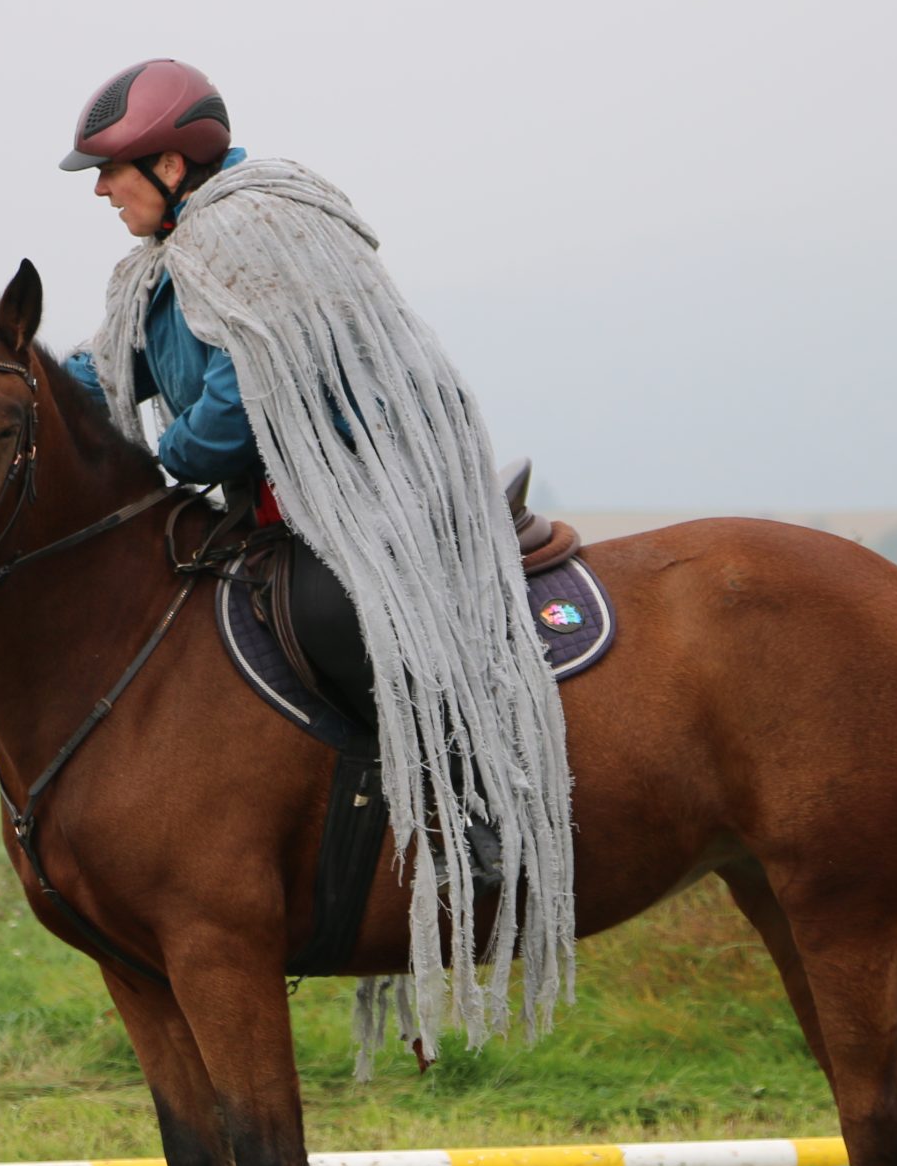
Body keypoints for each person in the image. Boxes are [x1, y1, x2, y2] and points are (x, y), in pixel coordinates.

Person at [57, 59, 578, 1051]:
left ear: (171, 163)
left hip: (375, 496)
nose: (101, 190)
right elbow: (105, 368)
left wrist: (166, 458)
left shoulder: (256, 231)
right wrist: (14, 386)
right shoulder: (162, 269)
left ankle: (478, 810)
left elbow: (241, 392)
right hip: (278, 510)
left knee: (339, 610)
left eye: (112, 169)